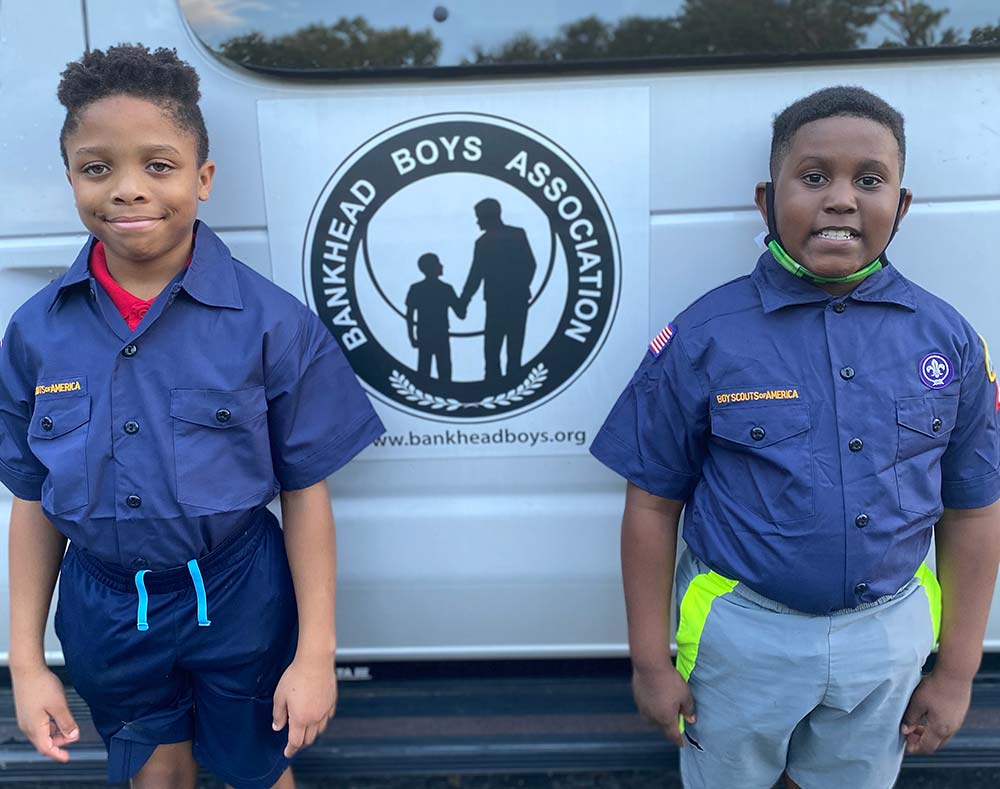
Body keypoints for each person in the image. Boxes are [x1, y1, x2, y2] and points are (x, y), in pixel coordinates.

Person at [590, 86, 1000, 788]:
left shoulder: (950, 340)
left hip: (888, 637)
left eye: (869, 181)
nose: (841, 199)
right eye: (814, 177)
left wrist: (958, 670)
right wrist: (650, 662)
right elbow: (652, 506)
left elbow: (973, 510)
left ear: (901, 207)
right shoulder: (704, 336)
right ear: (765, 200)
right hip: (742, 637)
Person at [0, 44, 384, 789]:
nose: (128, 190)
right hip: (105, 608)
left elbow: (306, 493)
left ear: (203, 179)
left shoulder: (272, 324)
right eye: (97, 167)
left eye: (159, 164)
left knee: (258, 770)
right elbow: (30, 500)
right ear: (72, 178)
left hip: (240, 595)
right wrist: (26, 661)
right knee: (156, 772)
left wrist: (314, 654)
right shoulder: (36, 332)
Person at [459, 198, 536, 382]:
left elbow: (475, 276)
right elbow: (530, 265)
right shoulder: (513, 235)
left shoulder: (486, 242)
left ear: (489, 217)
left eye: (479, 217)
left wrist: (464, 302)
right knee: (505, 348)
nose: (477, 221)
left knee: (498, 347)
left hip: (503, 301)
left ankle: (502, 385)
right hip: (508, 301)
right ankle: (507, 383)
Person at [405, 252, 465, 381]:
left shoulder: (416, 288)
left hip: (426, 335)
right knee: (443, 373)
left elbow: (409, 316)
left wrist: (412, 337)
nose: (441, 266)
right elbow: (461, 313)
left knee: (425, 371)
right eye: (438, 263)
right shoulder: (446, 289)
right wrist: (465, 298)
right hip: (439, 335)